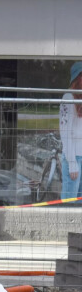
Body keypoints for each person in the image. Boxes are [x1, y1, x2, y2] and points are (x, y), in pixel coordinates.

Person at [61, 61, 82, 200]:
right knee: (69, 203)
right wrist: (72, 162)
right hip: (73, 157)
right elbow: (65, 132)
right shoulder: (68, 98)